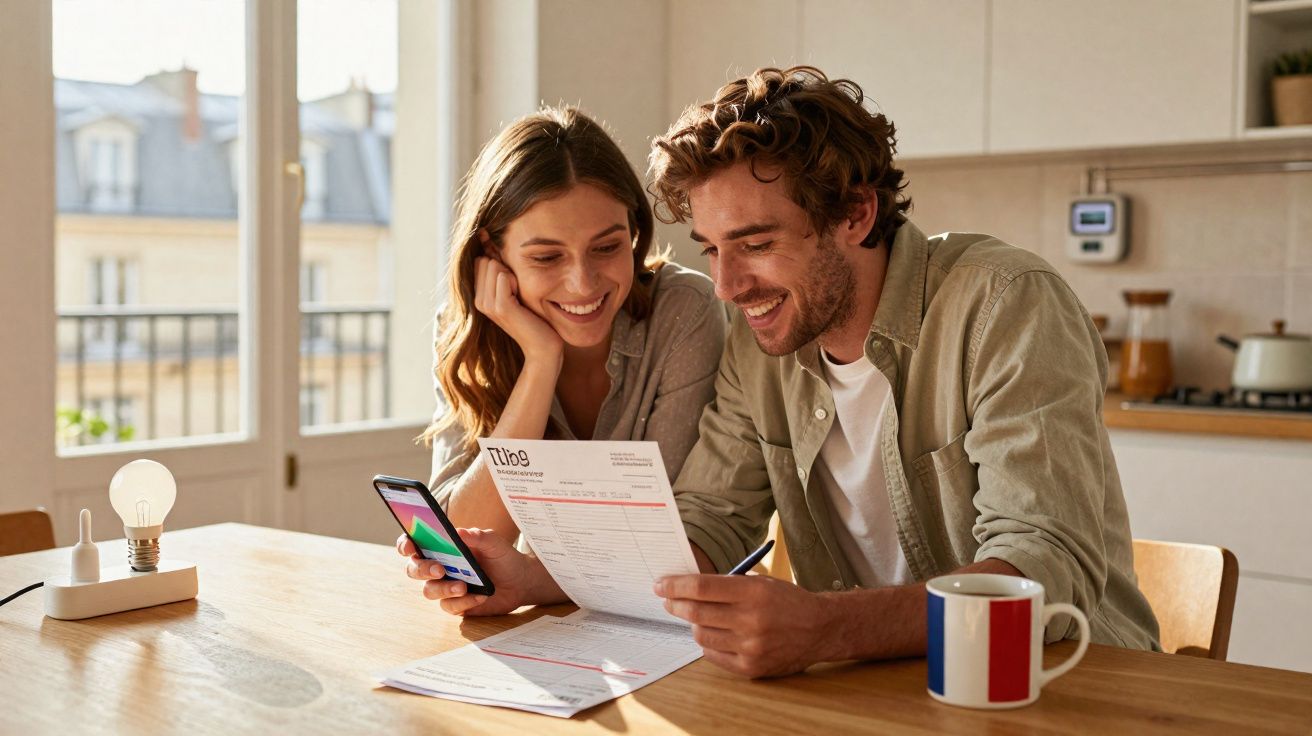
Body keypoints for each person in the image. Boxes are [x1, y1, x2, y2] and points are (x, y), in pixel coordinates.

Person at [407, 68, 1161, 676]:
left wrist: (828, 627)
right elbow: (705, 524)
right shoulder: (761, 345)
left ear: (856, 215)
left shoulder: (1004, 304)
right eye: (710, 249)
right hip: (875, 690)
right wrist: (536, 581)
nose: (728, 287)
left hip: (1059, 690)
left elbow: (1035, 572)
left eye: (756, 243)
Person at [397, 107, 725, 606]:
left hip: (666, 623)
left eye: (607, 247)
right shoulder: (467, 331)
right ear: (493, 253)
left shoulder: (683, 313)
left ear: (635, 233)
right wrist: (541, 360)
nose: (583, 284)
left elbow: (664, 543)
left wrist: (533, 581)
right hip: (545, 632)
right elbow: (459, 544)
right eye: (547, 257)